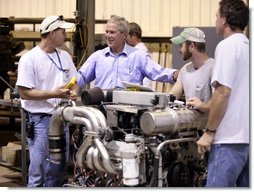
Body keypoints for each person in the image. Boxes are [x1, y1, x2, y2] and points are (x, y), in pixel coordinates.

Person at [16, 15, 77, 187]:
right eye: (62, 31)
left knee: (59, 168)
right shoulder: (30, 59)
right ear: (51, 33)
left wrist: (73, 92)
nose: (65, 34)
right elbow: (24, 93)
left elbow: (75, 82)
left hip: (62, 119)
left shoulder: (64, 56)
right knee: (40, 170)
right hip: (40, 121)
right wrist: (54, 94)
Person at [197, 0, 249, 187]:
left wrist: (210, 133)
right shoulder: (248, 47)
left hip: (229, 141)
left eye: (217, 16)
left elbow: (223, 92)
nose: (215, 20)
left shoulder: (227, 47)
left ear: (225, 20)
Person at [74, 15, 178, 92]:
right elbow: (81, 77)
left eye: (112, 32)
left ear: (124, 35)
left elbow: (156, 72)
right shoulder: (97, 57)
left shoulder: (138, 56)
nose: (108, 35)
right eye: (107, 31)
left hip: (129, 113)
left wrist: (175, 75)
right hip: (102, 111)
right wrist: (72, 90)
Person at [169, 28, 215, 112]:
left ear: (192, 46)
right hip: (191, 124)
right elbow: (172, 96)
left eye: (181, 46)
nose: (179, 50)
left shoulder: (214, 68)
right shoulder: (185, 70)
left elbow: (220, 100)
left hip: (209, 125)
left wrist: (203, 106)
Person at [126, 22, 153, 89]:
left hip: (141, 90)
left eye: (127, 36)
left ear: (134, 35)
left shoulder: (139, 52)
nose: (125, 39)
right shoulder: (140, 50)